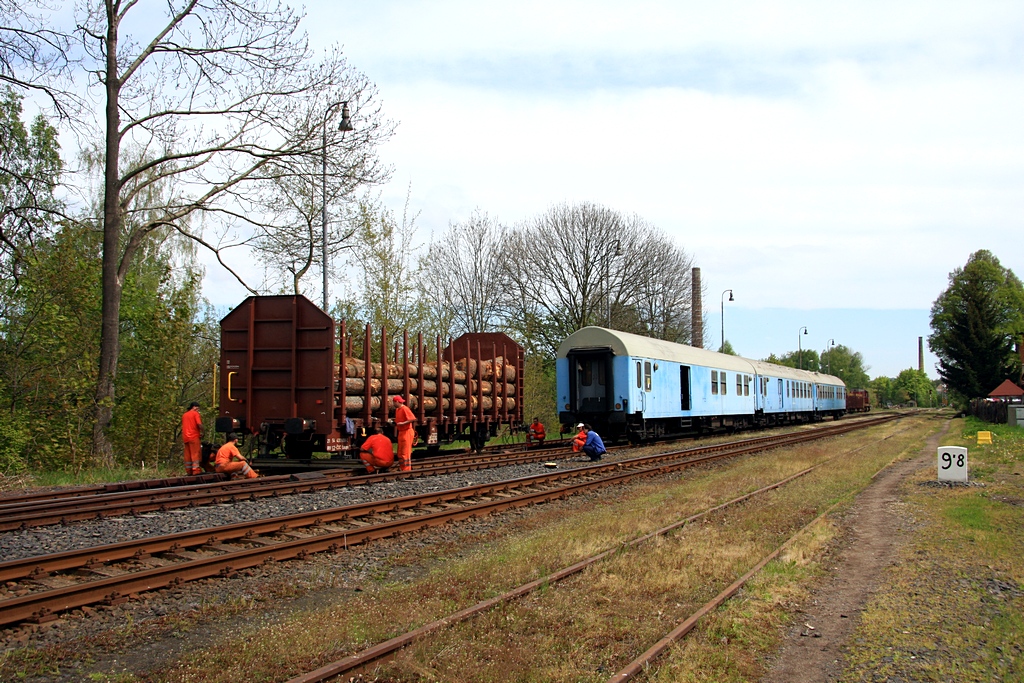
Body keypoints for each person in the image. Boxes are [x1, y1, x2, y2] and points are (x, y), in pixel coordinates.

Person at [392, 395, 416, 472]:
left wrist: (403, 423)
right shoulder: (397, 410)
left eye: (394, 402)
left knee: (405, 452)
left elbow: (412, 418)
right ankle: (403, 468)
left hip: (407, 432)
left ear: (397, 402)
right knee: (400, 452)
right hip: (401, 432)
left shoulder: (405, 409)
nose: (393, 404)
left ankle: (406, 470)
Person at [181, 401, 203, 475]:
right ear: (194, 407)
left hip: (185, 437)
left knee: (188, 455)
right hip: (194, 437)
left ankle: (188, 470)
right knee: (195, 453)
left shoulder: (184, 415)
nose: (197, 409)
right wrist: (203, 431)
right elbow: (199, 424)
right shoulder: (195, 414)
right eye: (197, 408)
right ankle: (196, 470)